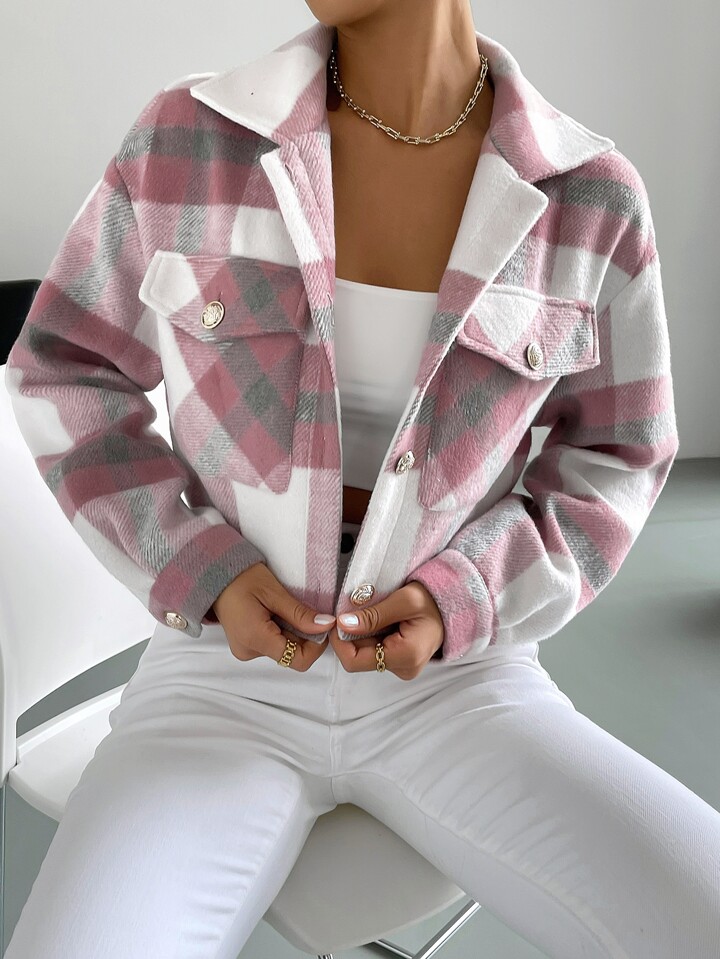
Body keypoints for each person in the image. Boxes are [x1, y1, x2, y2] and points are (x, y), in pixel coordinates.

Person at [4, 2, 720, 957]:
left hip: (459, 683)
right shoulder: (188, 139)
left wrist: (463, 596)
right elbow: (67, 368)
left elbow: (620, 453)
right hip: (222, 678)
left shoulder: (592, 199)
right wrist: (201, 567)